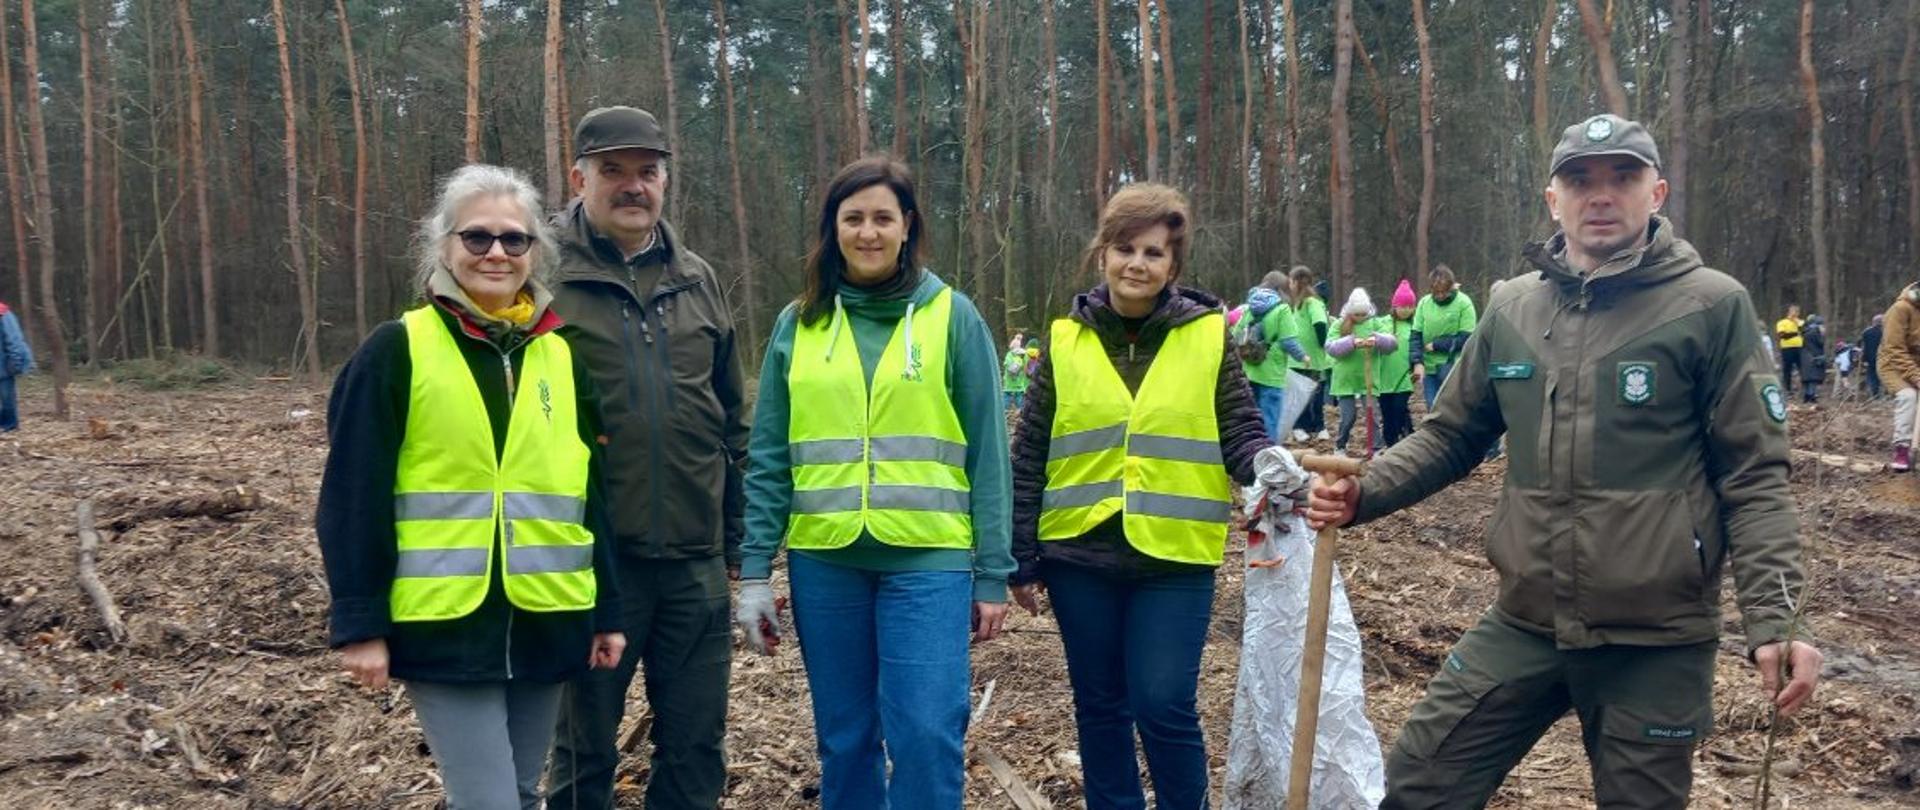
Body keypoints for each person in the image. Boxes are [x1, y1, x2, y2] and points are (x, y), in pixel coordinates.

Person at [1307, 114, 1821, 808]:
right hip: (1527, 620)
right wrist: (1364, 493)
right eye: (1580, 180)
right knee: (1419, 782)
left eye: (1622, 177)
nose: (1600, 195)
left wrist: (1776, 619)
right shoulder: (1512, 306)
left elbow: (1754, 475)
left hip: (1656, 638)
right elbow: (1452, 433)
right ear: (1554, 200)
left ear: (1657, 192)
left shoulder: (1710, 305)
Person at [316, 164, 627, 810]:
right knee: (488, 802)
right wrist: (359, 623)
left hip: (546, 617)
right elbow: (352, 496)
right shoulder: (396, 351)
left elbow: (589, 495)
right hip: (444, 626)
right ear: (443, 245)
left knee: (519, 792)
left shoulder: (561, 356)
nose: (495, 253)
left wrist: (606, 612)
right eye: (477, 237)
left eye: (514, 240)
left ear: (535, 252)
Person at [733, 157, 1012, 810]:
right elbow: (771, 455)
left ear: (907, 226)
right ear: (833, 230)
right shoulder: (797, 324)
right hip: (826, 564)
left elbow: (988, 457)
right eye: (852, 218)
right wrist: (753, 573)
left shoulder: (953, 317)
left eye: (882, 217)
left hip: (928, 562)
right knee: (846, 738)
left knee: (925, 733)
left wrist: (992, 571)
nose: (867, 232)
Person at [1007, 183, 1283, 810]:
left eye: (1153, 253)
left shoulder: (1209, 337)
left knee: (1163, 702)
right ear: (1102, 254)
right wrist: (1019, 557)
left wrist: (1267, 466)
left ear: (1173, 267)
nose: (1137, 263)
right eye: (1124, 248)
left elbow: (1239, 428)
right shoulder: (1064, 341)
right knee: (1100, 706)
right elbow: (1030, 454)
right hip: (1079, 555)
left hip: (1175, 558)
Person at [544, 106, 749, 810]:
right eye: (613, 171)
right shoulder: (541, 277)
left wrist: (740, 544)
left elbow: (733, 419)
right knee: (582, 744)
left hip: (695, 562)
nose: (633, 187)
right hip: (594, 561)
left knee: (695, 744)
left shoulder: (698, 279)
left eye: (647, 172)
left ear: (665, 180)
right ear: (579, 177)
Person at [1236, 272, 1310, 441]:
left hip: (1249, 371)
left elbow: (1236, 334)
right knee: (1269, 417)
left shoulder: (1250, 307)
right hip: (1272, 374)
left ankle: (1249, 449)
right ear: (1281, 290)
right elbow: (1288, 341)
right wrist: (1303, 357)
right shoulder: (1282, 310)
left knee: (1251, 418)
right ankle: (1268, 453)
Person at [1324, 288, 1398, 457]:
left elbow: (1393, 343)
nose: (1360, 318)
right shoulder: (1339, 324)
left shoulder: (1375, 323)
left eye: (1363, 314)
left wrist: (1377, 339)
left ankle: (1377, 447)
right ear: (1350, 312)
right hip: (1345, 379)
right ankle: (1340, 445)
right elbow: (1330, 347)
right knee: (1348, 416)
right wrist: (1351, 342)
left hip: (1369, 380)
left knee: (1372, 414)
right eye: (1357, 315)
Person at [1411, 264, 1477, 409]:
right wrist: (1417, 362)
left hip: (1454, 367)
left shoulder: (1464, 303)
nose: (1440, 296)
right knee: (1433, 407)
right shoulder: (1424, 303)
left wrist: (1437, 345)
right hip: (1430, 369)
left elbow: (1467, 337)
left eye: (1444, 292)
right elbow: (1415, 336)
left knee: (1453, 409)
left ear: (1452, 287)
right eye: (1436, 293)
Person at [1287, 265, 1333, 442]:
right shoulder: (1296, 305)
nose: (1289, 285)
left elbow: (1320, 324)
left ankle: (1319, 426)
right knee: (1299, 394)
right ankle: (1300, 426)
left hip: (1312, 358)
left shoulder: (1312, 303)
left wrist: (1323, 345)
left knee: (1315, 394)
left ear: (1296, 282)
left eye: (1291, 281)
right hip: (1297, 358)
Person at [1880, 283, 1920, 472]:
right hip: (1893, 364)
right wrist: (1916, 376)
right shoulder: (1900, 309)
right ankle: (1902, 448)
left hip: (1916, 365)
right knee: (1909, 396)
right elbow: (1894, 349)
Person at [1378, 280, 1418, 446]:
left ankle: (1406, 439)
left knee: (1399, 409)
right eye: (1403, 306)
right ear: (1394, 306)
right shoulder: (1382, 323)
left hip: (1404, 379)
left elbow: (1418, 347)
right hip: (1383, 379)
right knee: (1387, 414)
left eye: (1410, 306)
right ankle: (1391, 443)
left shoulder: (1415, 326)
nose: (1406, 310)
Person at [0, 299, 33, 432]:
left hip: (4, 366)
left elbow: (14, 341)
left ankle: (10, 426)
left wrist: (15, 364)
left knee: (7, 397)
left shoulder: (3, 314)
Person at [1799, 313, 1827, 404]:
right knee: (1813, 378)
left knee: (1807, 378)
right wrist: (1822, 334)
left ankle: (1807, 395)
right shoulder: (1816, 332)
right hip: (1814, 356)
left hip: (1805, 356)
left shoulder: (1805, 331)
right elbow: (1820, 343)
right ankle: (1812, 395)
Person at [1777, 304, 1804, 392]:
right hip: (1787, 348)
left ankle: (1804, 389)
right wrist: (1796, 334)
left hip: (1799, 348)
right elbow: (1782, 335)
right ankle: (1787, 389)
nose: (1795, 313)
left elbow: (1804, 332)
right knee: (1787, 369)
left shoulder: (1800, 322)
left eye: (1797, 312)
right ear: (1789, 312)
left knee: (1802, 368)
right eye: (1793, 311)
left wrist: (1798, 324)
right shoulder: (1782, 322)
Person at [1004, 334, 1033, 412]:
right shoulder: (1023, 355)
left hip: (1010, 382)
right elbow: (1026, 365)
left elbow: (1007, 365)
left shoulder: (1009, 355)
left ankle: (1005, 409)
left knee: (1009, 395)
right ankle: (1019, 409)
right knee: (1018, 396)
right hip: (1018, 382)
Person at [1863, 313, 1886, 400]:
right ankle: (1880, 395)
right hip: (1882, 357)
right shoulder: (1884, 332)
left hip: (1870, 358)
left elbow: (1863, 347)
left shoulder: (1866, 332)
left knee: (1872, 376)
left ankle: (1874, 394)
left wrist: (1864, 359)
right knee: (1881, 376)